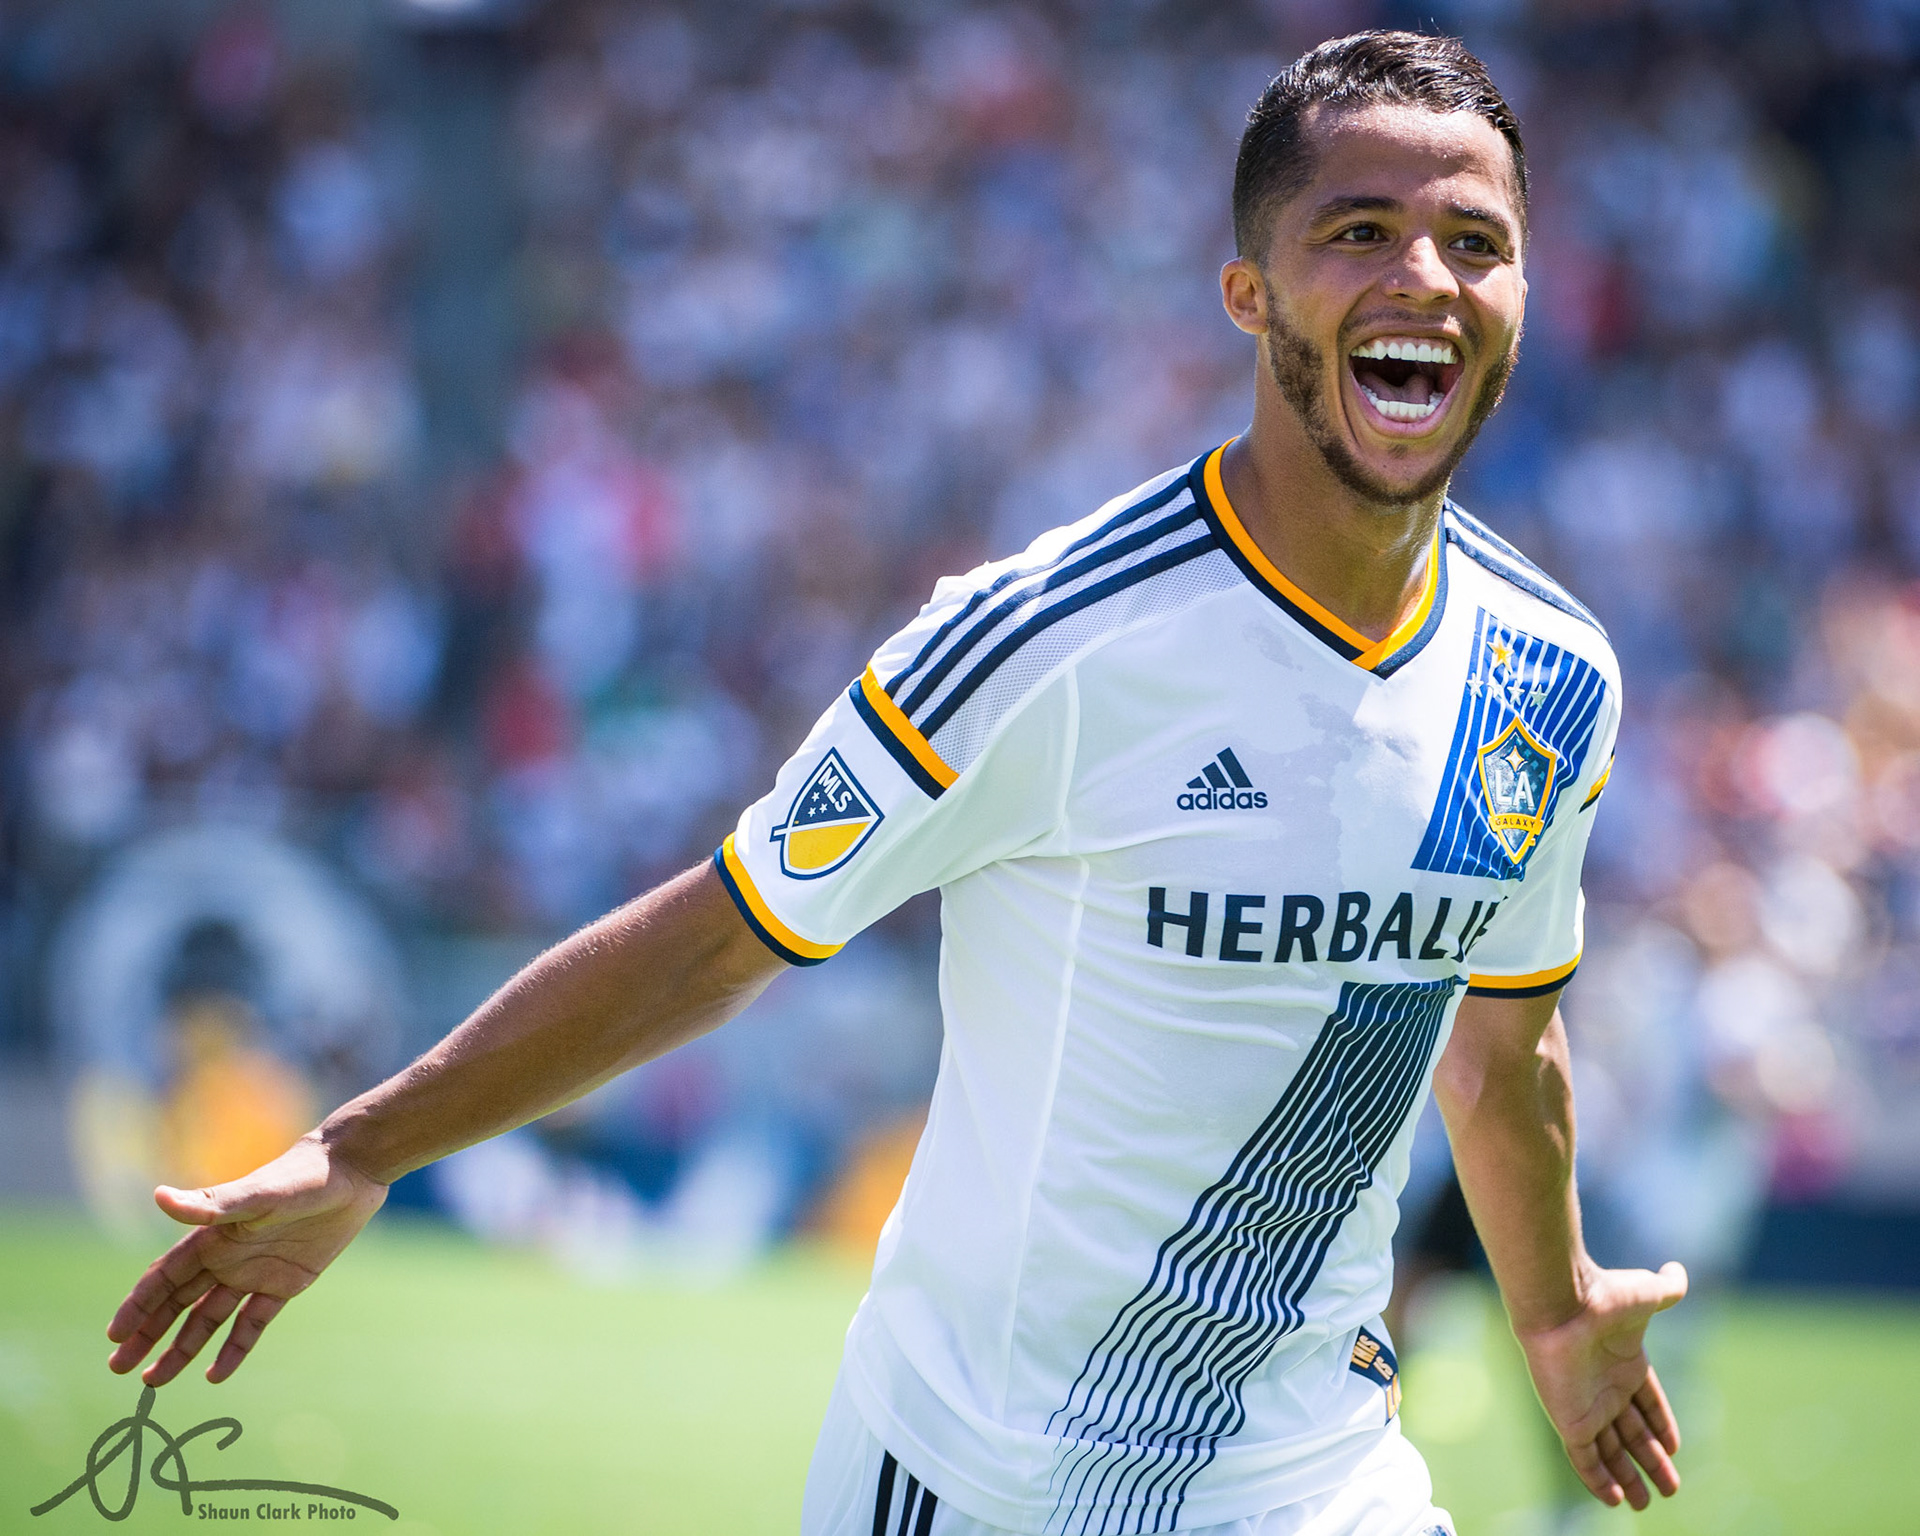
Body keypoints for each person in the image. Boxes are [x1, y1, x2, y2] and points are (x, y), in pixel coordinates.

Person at [105, 32, 1688, 1536]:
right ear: (1248, 290)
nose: (1425, 276)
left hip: (1321, 1476)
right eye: (1359, 230)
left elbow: (1504, 1046)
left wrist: (1550, 1311)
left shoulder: (1552, 674)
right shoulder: (1042, 641)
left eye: (1474, 242)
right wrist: (368, 1145)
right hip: (973, 1479)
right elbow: (730, 932)